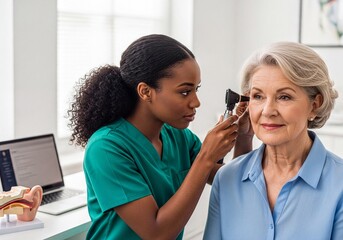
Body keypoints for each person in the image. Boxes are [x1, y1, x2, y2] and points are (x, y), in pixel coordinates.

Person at [68, 34, 252, 240]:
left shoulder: (179, 137)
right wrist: (207, 156)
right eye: (185, 92)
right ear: (145, 91)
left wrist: (244, 136)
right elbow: (156, 233)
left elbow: (233, 183)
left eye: (196, 89)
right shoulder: (106, 148)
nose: (196, 102)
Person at [203, 41, 343, 240]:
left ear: (314, 105)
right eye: (258, 96)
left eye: (284, 97)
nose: (267, 110)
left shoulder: (339, 184)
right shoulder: (227, 179)